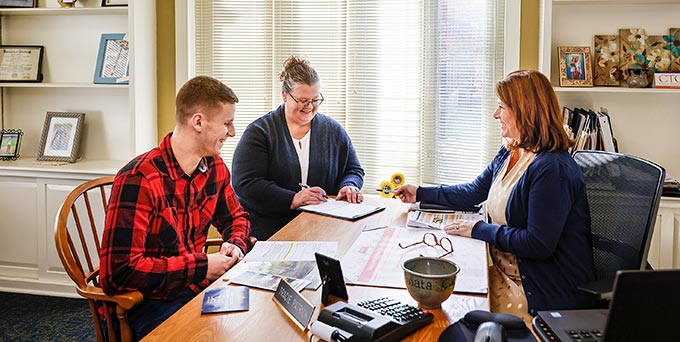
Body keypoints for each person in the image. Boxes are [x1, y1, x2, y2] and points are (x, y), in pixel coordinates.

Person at [395, 70, 595, 318]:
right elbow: (474, 192)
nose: (495, 114)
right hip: (504, 270)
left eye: (502, 107)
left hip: (537, 288)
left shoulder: (553, 169)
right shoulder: (512, 150)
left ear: (525, 111)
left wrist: (478, 229)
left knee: (451, 315)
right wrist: (421, 193)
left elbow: (538, 244)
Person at [100, 76, 255, 340]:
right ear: (198, 122)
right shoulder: (139, 179)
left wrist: (236, 244)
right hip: (145, 304)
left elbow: (236, 218)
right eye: (227, 123)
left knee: (257, 324)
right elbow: (119, 273)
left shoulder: (214, 168)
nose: (232, 132)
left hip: (194, 290)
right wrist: (202, 266)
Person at [232, 56, 365, 240]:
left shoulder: (333, 130)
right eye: (302, 100)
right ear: (285, 95)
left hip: (322, 230)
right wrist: (292, 199)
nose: (309, 107)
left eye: (315, 99)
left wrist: (349, 185)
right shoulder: (259, 133)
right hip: (270, 232)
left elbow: (353, 169)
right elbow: (245, 183)